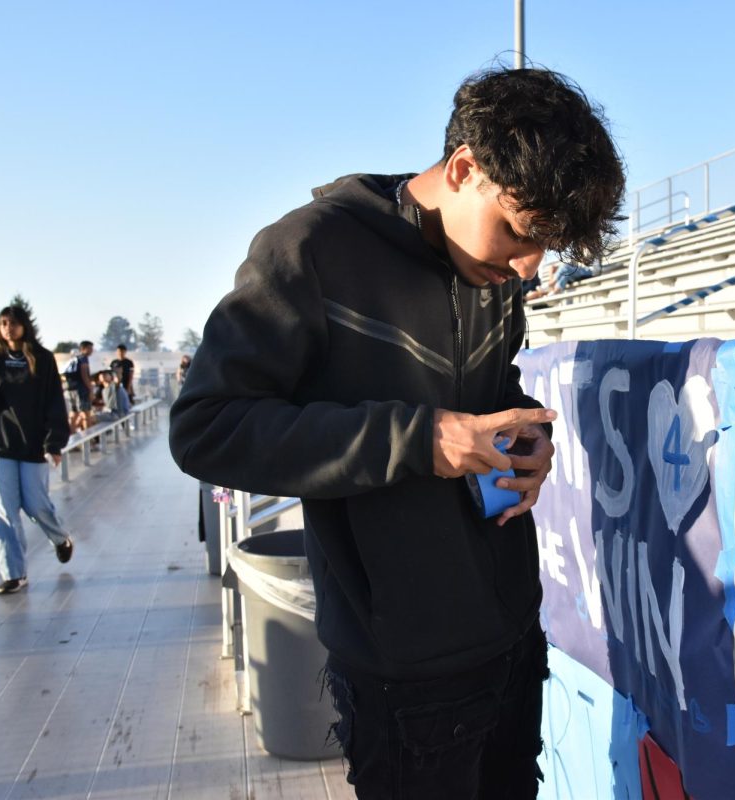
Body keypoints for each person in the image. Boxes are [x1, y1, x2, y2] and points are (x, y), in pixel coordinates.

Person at [168, 66, 625, 799]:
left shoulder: (493, 274)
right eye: (518, 231)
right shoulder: (309, 252)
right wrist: (419, 440)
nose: (527, 268)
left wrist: (523, 439)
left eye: (546, 247)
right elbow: (206, 429)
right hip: (403, 668)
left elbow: (485, 389)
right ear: (464, 168)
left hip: (511, 633)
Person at [0, 306, 74, 595]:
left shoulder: (41, 359)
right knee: (4, 511)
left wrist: (54, 442)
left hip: (34, 443)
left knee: (36, 504)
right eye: (3, 323)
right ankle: (14, 574)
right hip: (0, 445)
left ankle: (60, 538)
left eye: (13, 323)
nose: (8, 328)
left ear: (23, 326)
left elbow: (55, 401)